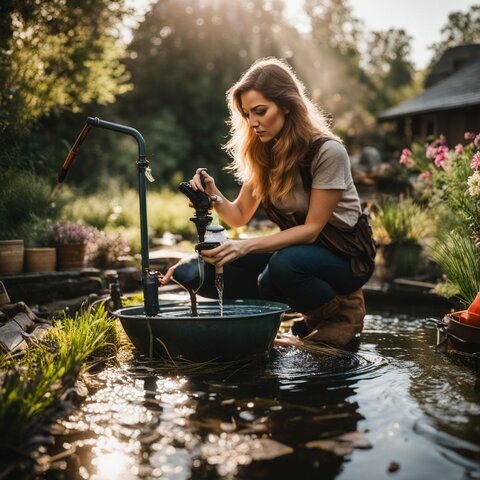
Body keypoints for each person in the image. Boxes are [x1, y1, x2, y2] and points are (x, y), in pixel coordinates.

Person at [160, 57, 376, 348]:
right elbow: (238, 216)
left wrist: (242, 246)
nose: (253, 122)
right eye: (247, 114)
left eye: (260, 112)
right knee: (196, 271)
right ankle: (264, 322)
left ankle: (340, 311)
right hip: (300, 252)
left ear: (287, 105)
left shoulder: (327, 152)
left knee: (282, 266)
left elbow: (312, 230)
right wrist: (213, 196)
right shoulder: (265, 153)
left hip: (347, 258)